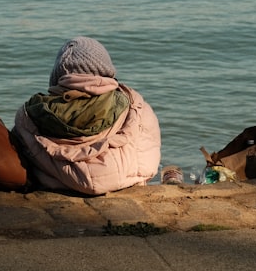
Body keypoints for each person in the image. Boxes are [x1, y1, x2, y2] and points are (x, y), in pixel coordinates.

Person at [11, 36, 161, 196]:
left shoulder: (31, 114)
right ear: (105, 69)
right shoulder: (133, 103)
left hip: (59, 185)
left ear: (58, 75)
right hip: (120, 179)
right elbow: (148, 162)